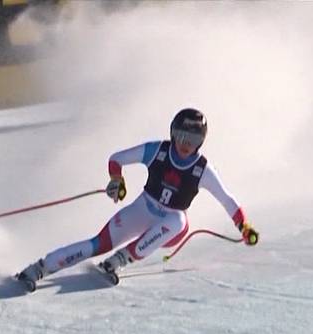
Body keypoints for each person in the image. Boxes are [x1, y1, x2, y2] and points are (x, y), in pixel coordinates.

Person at [14, 108, 259, 291]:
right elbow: (116, 159)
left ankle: (119, 260)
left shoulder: (202, 169)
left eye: (193, 141)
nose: (186, 145)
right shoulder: (157, 151)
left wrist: (244, 227)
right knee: (96, 244)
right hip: (143, 209)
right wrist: (116, 180)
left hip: (170, 228)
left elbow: (227, 200)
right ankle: (39, 268)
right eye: (182, 137)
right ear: (173, 133)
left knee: (178, 220)